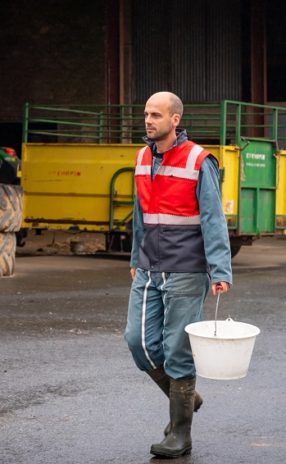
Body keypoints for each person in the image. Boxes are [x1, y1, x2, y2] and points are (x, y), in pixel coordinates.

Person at [124, 91, 232, 458]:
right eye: (146, 115)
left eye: (156, 115)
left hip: (187, 268)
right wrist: (135, 257)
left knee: (176, 350)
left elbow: (213, 218)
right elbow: (140, 213)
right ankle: (186, 396)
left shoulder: (199, 161)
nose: (148, 121)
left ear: (175, 120)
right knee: (138, 341)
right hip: (149, 266)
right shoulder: (141, 157)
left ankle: (180, 434)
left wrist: (220, 269)